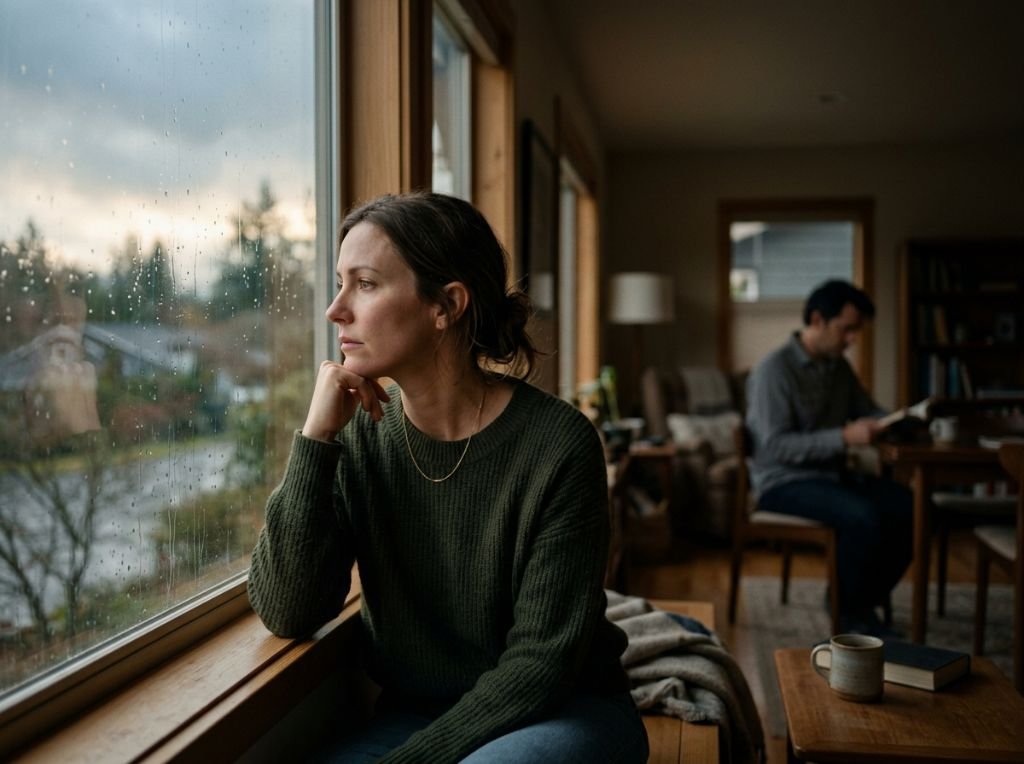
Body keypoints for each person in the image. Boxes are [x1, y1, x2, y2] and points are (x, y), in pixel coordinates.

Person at [247, 191, 648, 763]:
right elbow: (289, 609)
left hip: (562, 712)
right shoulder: (359, 435)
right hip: (414, 717)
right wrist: (316, 438)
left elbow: (541, 665)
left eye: (365, 284)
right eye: (339, 284)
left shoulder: (559, 444)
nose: (336, 309)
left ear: (447, 305)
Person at [745, 279, 912, 638]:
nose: (852, 339)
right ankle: (850, 616)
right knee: (863, 518)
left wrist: (900, 420)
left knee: (909, 508)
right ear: (818, 320)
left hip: (832, 478)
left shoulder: (839, 369)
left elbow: (868, 410)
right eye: (846, 329)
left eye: (856, 331)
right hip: (782, 482)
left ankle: (853, 598)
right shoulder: (774, 370)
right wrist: (843, 437)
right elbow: (774, 446)